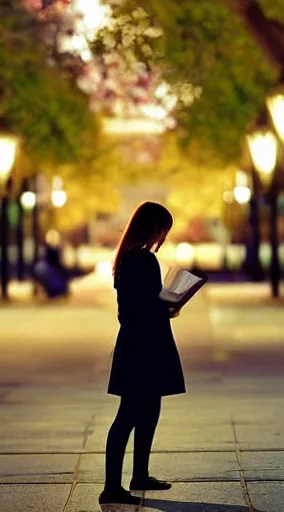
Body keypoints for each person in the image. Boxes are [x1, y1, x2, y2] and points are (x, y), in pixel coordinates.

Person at [99, 201, 185, 506]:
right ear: (153, 228)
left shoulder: (127, 259)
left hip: (138, 342)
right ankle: (112, 485)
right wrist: (170, 305)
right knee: (131, 414)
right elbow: (144, 306)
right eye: (162, 230)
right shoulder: (143, 261)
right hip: (145, 345)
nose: (163, 236)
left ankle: (138, 474)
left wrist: (163, 305)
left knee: (146, 409)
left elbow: (135, 306)